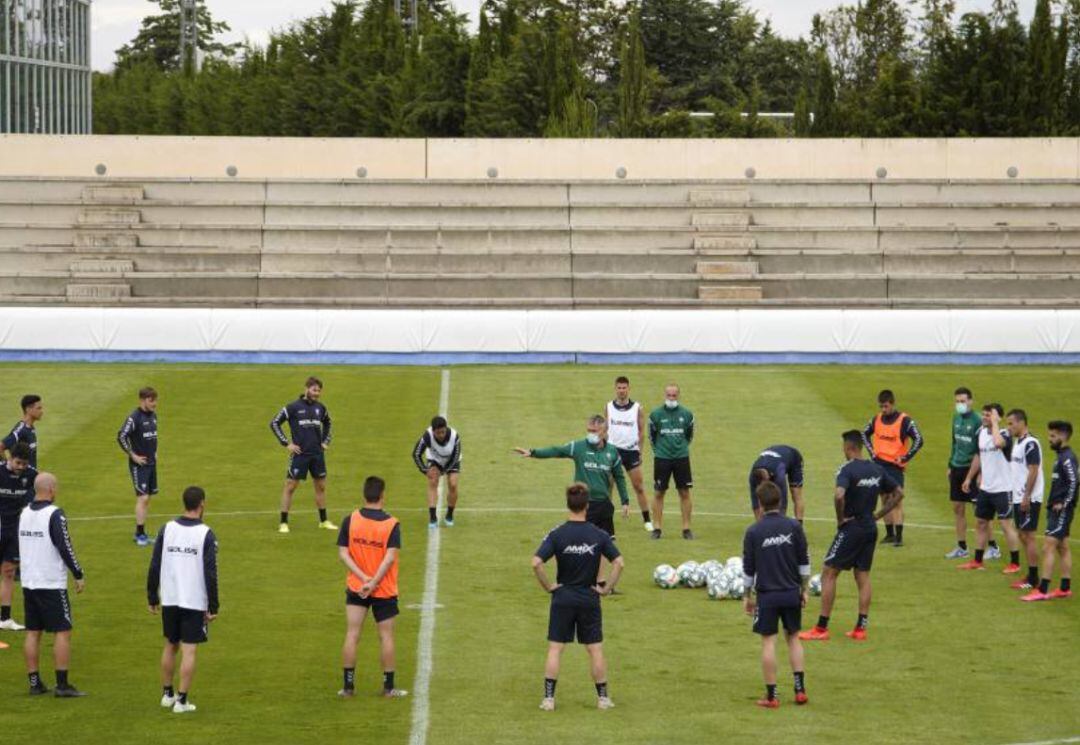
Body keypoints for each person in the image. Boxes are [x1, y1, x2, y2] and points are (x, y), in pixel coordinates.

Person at [800, 431, 903, 643]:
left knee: (829, 572)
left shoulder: (847, 469)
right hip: (869, 527)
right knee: (862, 575)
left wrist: (840, 519)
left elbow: (839, 495)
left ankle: (821, 627)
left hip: (852, 527)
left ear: (848, 448)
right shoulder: (876, 469)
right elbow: (899, 493)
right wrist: (879, 515)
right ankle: (860, 627)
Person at [531, 482, 623, 712]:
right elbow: (619, 563)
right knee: (595, 649)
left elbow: (536, 563)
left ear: (568, 505)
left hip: (563, 597)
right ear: (587, 506)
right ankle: (603, 699)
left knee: (555, 648)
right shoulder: (599, 534)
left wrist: (549, 587)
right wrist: (605, 589)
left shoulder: (558, 534)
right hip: (589, 598)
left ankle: (549, 699)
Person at [147, 486, 219, 713]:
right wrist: (213, 605)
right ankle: (182, 701)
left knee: (170, 645)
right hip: (193, 599)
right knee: (189, 651)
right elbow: (210, 572)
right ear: (202, 504)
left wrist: (152, 595)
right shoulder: (206, 534)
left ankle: (167, 694)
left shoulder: (166, 529)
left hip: (170, 598)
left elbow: (155, 564)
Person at [337, 476, 408, 698]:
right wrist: (374, 582)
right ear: (382, 495)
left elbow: (343, 553)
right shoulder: (391, 524)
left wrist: (363, 579)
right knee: (386, 637)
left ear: (364, 495)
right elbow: (388, 559)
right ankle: (388, 688)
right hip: (383, 589)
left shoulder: (351, 520)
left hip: (357, 587)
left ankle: (348, 688)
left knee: (352, 634)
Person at [742, 481, 810, 709]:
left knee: (769, 642)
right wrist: (805, 589)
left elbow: (748, 569)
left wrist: (746, 596)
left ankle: (772, 696)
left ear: (759, 504)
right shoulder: (793, 527)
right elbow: (804, 562)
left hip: (768, 596)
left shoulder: (754, 531)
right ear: (780, 501)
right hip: (791, 592)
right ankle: (800, 689)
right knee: (793, 638)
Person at [19, 472, 86, 696]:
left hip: (29, 582)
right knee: (62, 631)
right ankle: (62, 684)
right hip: (50, 582)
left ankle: (34, 683)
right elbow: (64, 546)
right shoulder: (54, 514)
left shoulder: (24, 513)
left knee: (32, 632)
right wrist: (78, 573)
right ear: (50, 489)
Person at [515, 416, 630, 538]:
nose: (590, 434)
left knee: (607, 546)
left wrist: (625, 501)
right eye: (589, 430)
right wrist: (534, 453)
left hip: (604, 506)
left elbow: (619, 477)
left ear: (605, 431)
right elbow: (556, 450)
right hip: (585, 505)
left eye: (594, 431)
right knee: (582, 544)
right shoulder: (578, 447)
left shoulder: (612, 452)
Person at [959, 404, 1023, 573]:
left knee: (1005, 525)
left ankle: (1015, 563)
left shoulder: (1005, 434)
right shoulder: (980, 433)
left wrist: (995, 424)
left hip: (1003, 489)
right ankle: (977, 560)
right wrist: (969, 478)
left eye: (989, 415)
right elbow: (979, 456)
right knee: (981, 523)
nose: (985, 418)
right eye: (984, 415)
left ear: (998, 418)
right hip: (986, 489)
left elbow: (998, 443)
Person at [270, 376, 336, 534]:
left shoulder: (321, 408)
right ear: (306, 388)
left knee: (321, 487)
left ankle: (323, 521)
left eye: (319, 391)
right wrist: (287, 444)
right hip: (300, 455)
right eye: (314, 390)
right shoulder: (293, 407)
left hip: (317, 455)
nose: (317, 393)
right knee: (290, 487)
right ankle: (283, 523)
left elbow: (328, 422)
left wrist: (326, 441)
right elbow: (274, 423)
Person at [1021, 421, 1076, 602]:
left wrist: (1064, 504)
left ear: (1062, 436)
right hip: (1056, 508)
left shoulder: (1067, 458)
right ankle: (1065, 588)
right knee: (1063, 546)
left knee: (1048, 547)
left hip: (1061, 510)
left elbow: (1074, 482)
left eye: (1053, 436)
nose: (1049, 439)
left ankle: (1042, 589)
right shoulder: (1061, 456)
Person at [862, 389, 922, 546]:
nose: (883, 410)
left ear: (893, 404)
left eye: (886, 406)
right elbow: (864, 434)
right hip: (879, 465)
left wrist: (906, 457)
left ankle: (899, 537)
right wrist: (872, 453)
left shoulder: (905, 421)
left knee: (896, 501)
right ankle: (889, 534)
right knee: (884, 499)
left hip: (895, 467)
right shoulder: (877, 419)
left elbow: (919, 440)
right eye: (881, 406)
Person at [649, 384, 695, 540]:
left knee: (684, 492)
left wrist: (680, 447)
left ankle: (686, 528)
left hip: (681, 457)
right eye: (669, 395)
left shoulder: (687, 415)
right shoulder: (655, 415)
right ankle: (657, 528)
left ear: (678, 396)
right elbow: (652, 437)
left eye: (674, 395)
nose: (671, 398)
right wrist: (660, 451)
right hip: (662, 458)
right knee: (659, 492)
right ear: (664, 395)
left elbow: (689, 436)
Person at [606, 376, 652, 532]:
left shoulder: (637, 408)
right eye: (619, 388)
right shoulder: (608, 407)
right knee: (609, 486)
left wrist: (640, 451)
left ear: (628, 389)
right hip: (613, 451)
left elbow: (641, 431)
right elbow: (605, 430)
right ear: (615, 389)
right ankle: (605, 518)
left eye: (624, 388)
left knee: (638, 486)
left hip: (631, 452)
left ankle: (647, 520)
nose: (621, 391)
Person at [0, 443, 37, 632]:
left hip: (15, 532)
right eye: (18, 463)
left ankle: (4, 618)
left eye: (24, 464)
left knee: (8, 572)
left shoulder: (32, 475)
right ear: (9, 458)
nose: (21, 467)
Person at [1006, 409, 1044, 591]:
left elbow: (1034, 469)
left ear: (1022, 423)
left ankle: (1034, 578)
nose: (1009, 427)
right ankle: (1031, 574)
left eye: (1011, 423)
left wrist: (1027, 496)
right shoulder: (1017, 442)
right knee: (1022, 534)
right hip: (1019, 497)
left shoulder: (1030, 443)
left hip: (1028, 498)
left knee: (1028, 536)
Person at [118, 387, 159, 547]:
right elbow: (121, 436)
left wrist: (155, 451)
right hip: (139, 464)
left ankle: (142, 533)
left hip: (151, 463)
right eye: (151, 400)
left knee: (147, 498)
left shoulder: (153, 416)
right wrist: (132, 455)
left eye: (155, 400)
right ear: (142, 400)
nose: (155, 404)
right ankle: (139, 534)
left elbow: (154, 436)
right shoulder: (134, 418)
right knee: (142, 498)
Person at [946, 387, 981, 559]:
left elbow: (981, 451)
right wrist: (950, 465)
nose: (960, 404)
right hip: (957, 467)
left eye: (963, 401)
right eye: (957, 401)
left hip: (972, 469)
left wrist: (979, 473)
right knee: (958, 508)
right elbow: (954, 442)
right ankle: (962, 547)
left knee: (979, 511)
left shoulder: (978, 421)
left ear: (970, 401)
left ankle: (992, 546)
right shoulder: (955, 418)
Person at [412, 416, 461, 529]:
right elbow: (416, 454)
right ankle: (433, 517)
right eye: (438, 433)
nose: (441, 435)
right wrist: (425, 470)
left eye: (443, 432)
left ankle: (449, 514)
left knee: (453, 484)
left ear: (446, 428)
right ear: (433, 431)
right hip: (435, 459)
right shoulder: (427, 436)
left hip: (451, 460)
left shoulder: (454, 436)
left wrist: (443, 471)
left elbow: (456, 456)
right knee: (433, 481)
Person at [748, 445, 805, 523]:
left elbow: (783, 503)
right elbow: (755, 504)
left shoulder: (778, 474)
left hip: (793, 458)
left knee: (796, 494)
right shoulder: (752, 477)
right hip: (775, 458)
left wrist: (778, 527)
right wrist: (760, 525)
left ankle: (799, 526)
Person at [1, 394, 43, 468]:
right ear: (28, 409)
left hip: (29, 476)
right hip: (21, 477)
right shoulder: (21, 430)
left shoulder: (30, 428)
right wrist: (6, 467)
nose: (41, 411)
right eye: (38, 408)